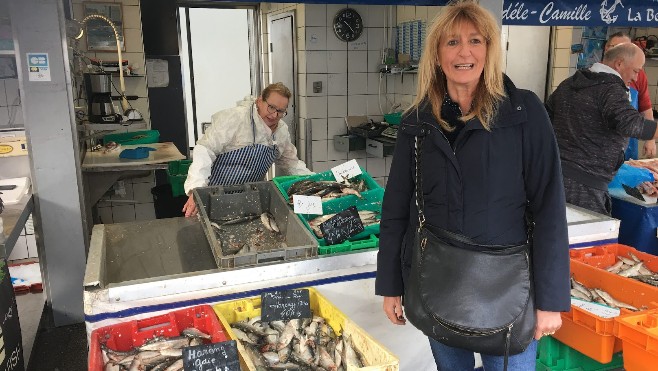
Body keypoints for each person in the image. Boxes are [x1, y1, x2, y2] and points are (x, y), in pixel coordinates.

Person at [375, 2, 570, 370]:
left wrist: (551, 299)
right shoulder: (417, 121)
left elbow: (549, 209)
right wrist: (390, 284)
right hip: (439, 282)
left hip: (510, 289)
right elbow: (396, 208)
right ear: (436, 53)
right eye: (452, 42)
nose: (464, 52)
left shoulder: (524, 112)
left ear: (489, 50)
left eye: (475, 40)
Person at [546, 42, 658, 216]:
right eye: (636, 71)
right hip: (585, 187)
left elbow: (546, 119)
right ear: (619, 64)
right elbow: (631, 123)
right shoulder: (610, 88)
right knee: (587, 240)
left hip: (553, 177)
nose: (636, 78)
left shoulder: (568, 84)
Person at [183, 82, 312, 217]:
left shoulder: (281, 131)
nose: (274, 115)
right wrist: (196, 190)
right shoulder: (235, 118)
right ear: (260, 100)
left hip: (250, 201)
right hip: (213, 198)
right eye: (271, 107)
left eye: (280, 111)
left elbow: (291, 163)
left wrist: (313, 181)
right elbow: (205, 150)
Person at [604, 32, 656, 159]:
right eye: (616, 47)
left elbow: (645, 107)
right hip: (602, 147)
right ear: (607, 49)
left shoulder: (637, 75)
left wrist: (650, 139)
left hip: (629, 142)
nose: (635, 76)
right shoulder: (594, 76)